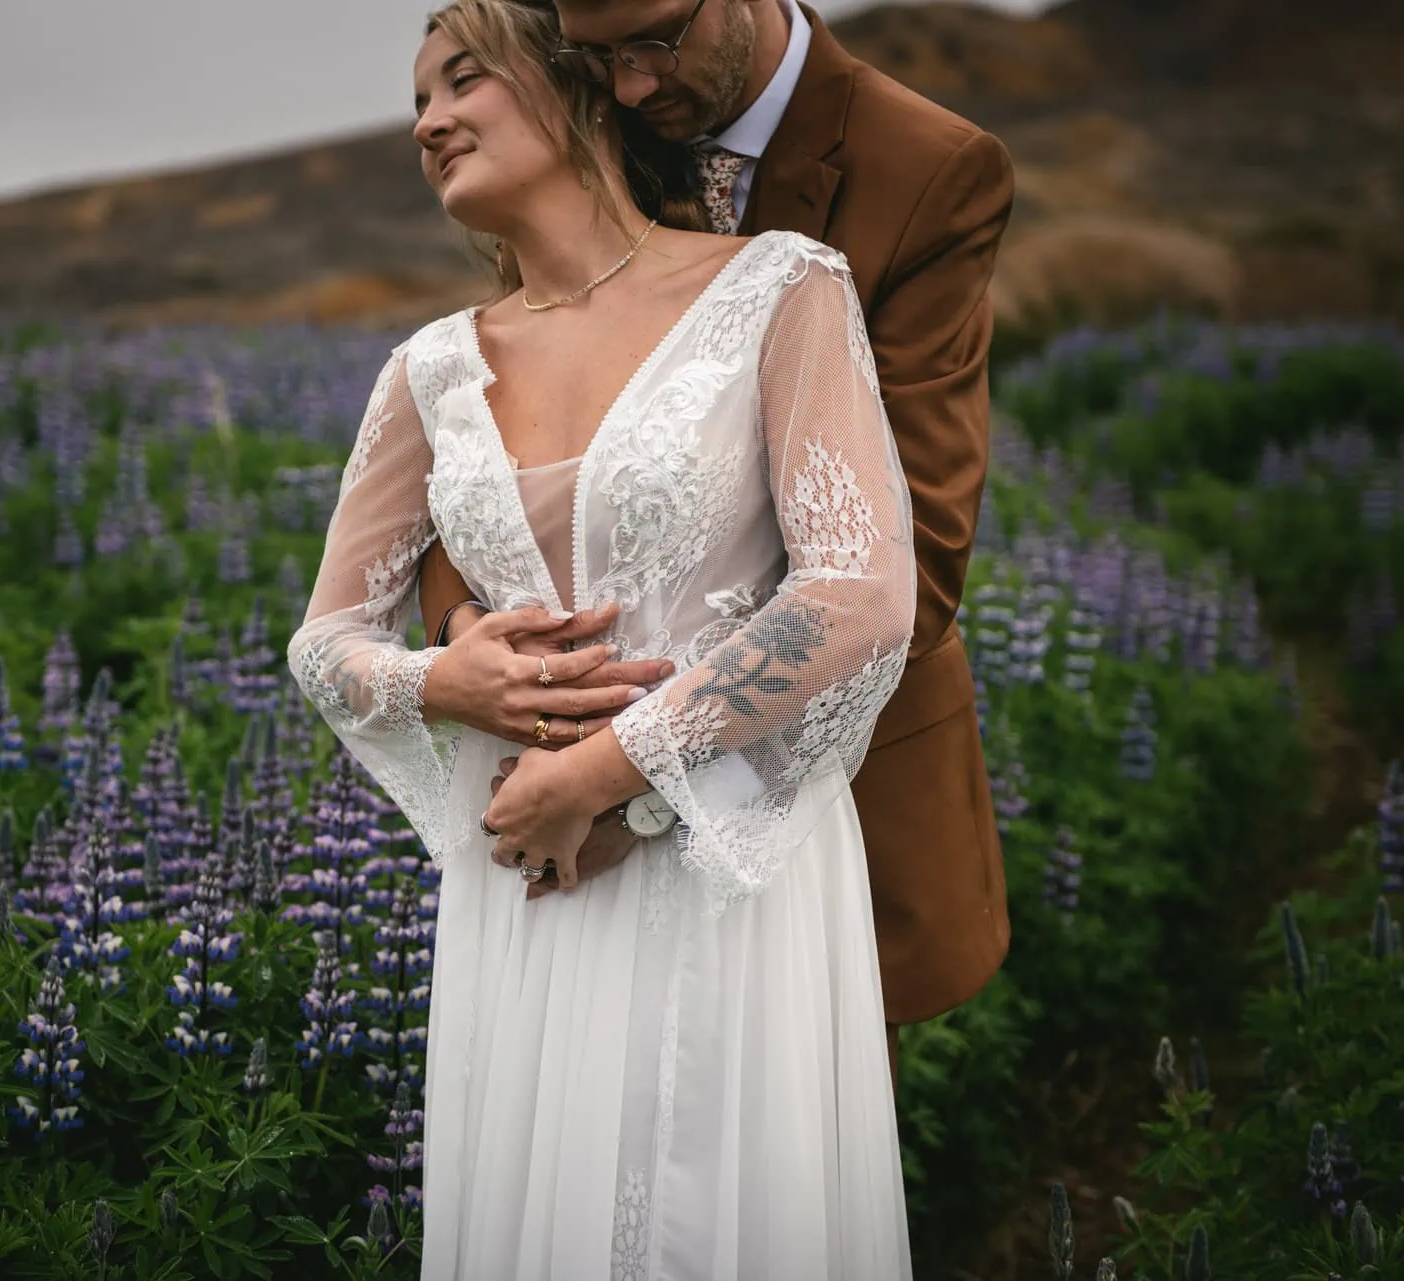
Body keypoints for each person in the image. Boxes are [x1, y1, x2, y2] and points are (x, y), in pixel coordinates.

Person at [287, 0, 924, 1273]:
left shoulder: (778, 288)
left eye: (461, 78)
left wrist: (603, 770)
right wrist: (439, 678)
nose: (426, 120)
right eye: (417, 102)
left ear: (577, 88)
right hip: (525, 877)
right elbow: (327, 640)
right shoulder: (429, 368)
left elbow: (859, 588)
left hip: (719, 856)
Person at [416, 0, 1016, 1082]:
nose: (632, 88)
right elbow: (499, 458)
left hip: (805, 786)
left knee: (788, 1150)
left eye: (654, 44)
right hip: (562, 795)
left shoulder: (927, 169)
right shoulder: (590, 129)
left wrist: (631, 782)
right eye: (597, 60)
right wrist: (485, 645)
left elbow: (906, 564)